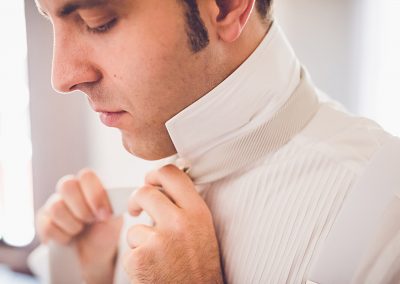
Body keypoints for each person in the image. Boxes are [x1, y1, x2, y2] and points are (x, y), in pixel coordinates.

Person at [32, 0, 400, 283]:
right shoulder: (136, 147)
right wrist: (95, 275)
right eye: (51, 21)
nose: (61, 77)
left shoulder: (388, 212)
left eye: (99, 21)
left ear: (225, 6)